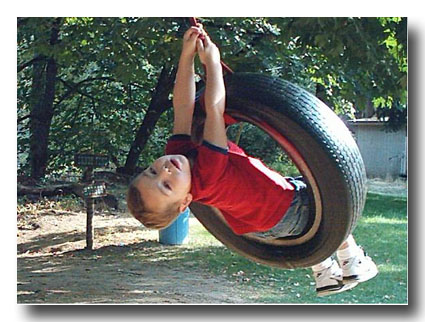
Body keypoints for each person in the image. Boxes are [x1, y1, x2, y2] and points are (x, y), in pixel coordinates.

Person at [126, 25, 378, 296]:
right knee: (330, 200)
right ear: (186, 202)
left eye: (152, 171)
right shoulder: (207, 173)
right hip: (282, 207)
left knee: (305, 212)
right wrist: (212, 63)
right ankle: (353, 261)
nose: (164, 170)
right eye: (166, 185)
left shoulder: (179, 154)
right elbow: (213, 109)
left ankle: (325, 274)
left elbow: (184, 105)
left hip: (261, 222)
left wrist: (186, 56)